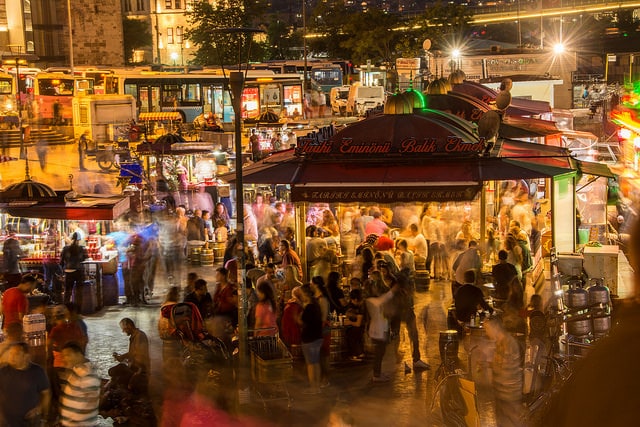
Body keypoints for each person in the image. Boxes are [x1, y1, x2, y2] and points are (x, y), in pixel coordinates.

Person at [483, 315, 523, 427]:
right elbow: (500, 364)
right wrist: (488, 364)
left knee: (513, 422)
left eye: (487, 329)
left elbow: (504, 369)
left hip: (509, 393)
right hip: (501, 392)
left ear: (495, 327)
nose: (487, 333)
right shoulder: (500, 343)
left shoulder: (508, 344)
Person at [0, 342, 51, 426]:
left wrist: (39, 409)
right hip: (6, 422)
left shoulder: (37, 372)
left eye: (16, 354)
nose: (11, 357)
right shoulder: (3, 371)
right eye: (11, 353)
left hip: (30, 422)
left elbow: (46, 394)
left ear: (26, 356)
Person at [59, 342, 100, 426]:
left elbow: (91, 403)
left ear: (79, 354)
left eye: (68, 355)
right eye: (63, 356)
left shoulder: (88, 374)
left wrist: (72, 419)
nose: (64, 359)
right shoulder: (77, 370)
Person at [365, 276, 398, 382]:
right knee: (379, 354)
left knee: (381, 353)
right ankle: (376, 375)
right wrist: (392, 290)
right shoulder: (371, 300)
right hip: (377, 330)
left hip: (381, 328)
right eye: (374, 287)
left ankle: (378, 373)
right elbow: (383, 300)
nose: (376, 289)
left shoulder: (374, 299)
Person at [112, 318, 151, 392]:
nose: (123, 331)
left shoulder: (139, 336)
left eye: (124, 329)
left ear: (129, 326)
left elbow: (140, 355)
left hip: (140, 371)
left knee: (115, 371)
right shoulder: (134, 336)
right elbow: (133, 352)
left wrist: (136, 374)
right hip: (135, 368)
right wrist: (121, 357)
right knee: (114, 373)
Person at [299, 284, 323, 394]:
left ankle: (313, 387)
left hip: (309, 338)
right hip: (318, 337)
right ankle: (317, 386)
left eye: (302, 294)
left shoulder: (309, 307)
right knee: (316, 362)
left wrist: (297, 317)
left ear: (306, 294)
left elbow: (302, 322)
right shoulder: (316, 305)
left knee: (310, 364)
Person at [60, 232, 88, 307]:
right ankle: (78, 310)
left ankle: (66, 309)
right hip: (78, 272)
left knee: (67, 292)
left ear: (71, 239)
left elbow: (61, 261)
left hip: (68, 271)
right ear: (79, 240)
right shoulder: (81, 248)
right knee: (79, 292)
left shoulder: (65, 248)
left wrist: (63, 271)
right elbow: (84, 258)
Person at [344, 289, 365, 361]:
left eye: (352, 300)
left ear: (356, 299)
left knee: (352, 333)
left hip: (358, 328)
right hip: (357, 328)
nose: (351, 302)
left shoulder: (360, 308)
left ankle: (355, 354)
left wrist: (350, 322)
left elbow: (358, 324)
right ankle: (359, 353)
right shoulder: (354, 306)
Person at [281, 286, 304, 350]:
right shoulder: (296, 306)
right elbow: (299, 322)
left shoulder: (289, 304)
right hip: (294, 335)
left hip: (288, 334)